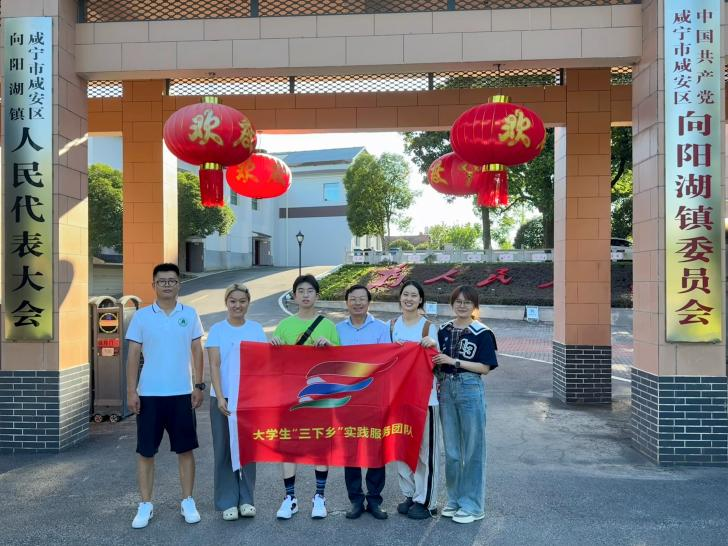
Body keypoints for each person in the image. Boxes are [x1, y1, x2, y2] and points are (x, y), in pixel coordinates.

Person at [125, 263, 205, 529]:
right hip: (149, 395)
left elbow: (197, 350)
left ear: (179, 284)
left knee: (185, 449)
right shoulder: (142, 317)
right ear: (154, 285)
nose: (167, 285)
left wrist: (198, 385)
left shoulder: (189, 314)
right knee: (146, 451)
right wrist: (131, 391)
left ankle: (187, 500)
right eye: (162, 281)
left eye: (172, 281)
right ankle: (145, 504)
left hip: (182, 394)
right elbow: (133, 355)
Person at [270, 274, 340, 520]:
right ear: (294, 295)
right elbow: (273, 365)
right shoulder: (284, 326)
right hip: (290, 395)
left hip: (319, 394)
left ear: (317, 295)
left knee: (320, 443)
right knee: (289, 444)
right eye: (301, 291)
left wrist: (330, 346)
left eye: (310, 290)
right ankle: (290, 498)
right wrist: (273, 346)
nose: (306, 295)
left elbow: (339, 364)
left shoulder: (328, 326)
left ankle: (319, 496)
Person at [433, 285, 498, 524]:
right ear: (452, 304)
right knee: (451, 451)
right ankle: (454, 499)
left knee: (472, 449)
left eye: (467, 302)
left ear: (474, 306)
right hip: (446, 389)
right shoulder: (443, 330)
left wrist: (454, 361)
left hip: (470, 388)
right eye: (458, 301)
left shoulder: (482, 333)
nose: (462, 305)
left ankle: (473, 505)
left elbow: (485, 368)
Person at [206, 283, 267, 521]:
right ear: (226, 303)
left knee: (247, 450)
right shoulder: (217, 330)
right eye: (233, 301)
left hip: (249, 399)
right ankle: (227, 501)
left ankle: (247, 499)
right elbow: (214, 365)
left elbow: (263, 364)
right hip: (223, 398)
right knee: (223, 449)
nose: (237, 305)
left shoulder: (256, 329)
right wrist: (221, 396)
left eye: (242, 301)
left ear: (248, 303)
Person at [335, 284, 391, 521]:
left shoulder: (381, 328)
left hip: (374, 398)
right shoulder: (337, 330)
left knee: (376, 449)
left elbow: (387, 361)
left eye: (362, 299)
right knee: (351, 450)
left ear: (369, 302)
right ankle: (356, 499)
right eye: (353, 299)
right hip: (346, 399)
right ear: (346, 302)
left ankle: (375, 499)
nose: (357, 303)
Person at [390, 280, 440, 520]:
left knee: (424, 452)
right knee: (401, 447)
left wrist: (432, 345)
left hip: (425, 400)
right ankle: (409, 494)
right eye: (405, 294)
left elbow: (437, 361)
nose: (409, 299)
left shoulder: (428, 327)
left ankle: (426, 500)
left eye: (414, 295)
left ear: (420, 300)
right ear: (400, 298)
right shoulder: (391, 326)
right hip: (398, 399)